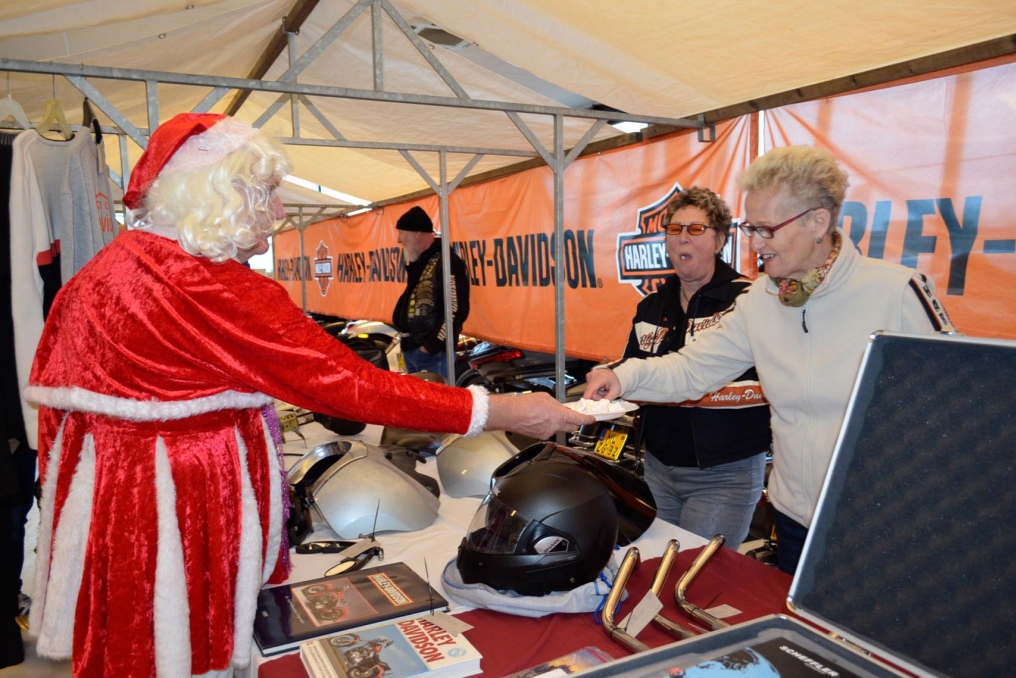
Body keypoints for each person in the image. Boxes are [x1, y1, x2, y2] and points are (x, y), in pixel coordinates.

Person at [24, 112, 591, 678]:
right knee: (187, 640)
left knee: (133, 637)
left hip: (112, 496)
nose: (278, 211)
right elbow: (355, 386)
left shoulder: (99, 274)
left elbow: (56, 420)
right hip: (184, 497)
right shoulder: (210, 284)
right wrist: (502, 410)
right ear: (219, 190)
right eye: (267, 192)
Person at [585, 146, 952, 575]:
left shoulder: (897, 293)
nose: (756, 243)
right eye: (751, 228)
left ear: (818, 222)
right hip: (793, 516)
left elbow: (952, 411)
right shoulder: (759, 300)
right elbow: (692, 368)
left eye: (767, 229)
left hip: (876, 520)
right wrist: (622, 376)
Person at [617, 187, 770, 550]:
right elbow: (633, 370)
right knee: (656, 565)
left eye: (696, 229)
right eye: (675, 229)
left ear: (719, 240)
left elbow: (766, 383)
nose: (683, 237)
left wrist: (688, 393)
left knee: (695, 573)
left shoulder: (747, 300)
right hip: (658, 467)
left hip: (724, 473)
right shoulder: (652, 304)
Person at [391, 205, 470, 380]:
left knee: (437, 397)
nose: (398, 239)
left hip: (433, 355)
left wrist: (431, 346)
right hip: (414, 349)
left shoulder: (447, 262)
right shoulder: (420, 262)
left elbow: (455, 309)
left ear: (416, 233)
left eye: (401, 233)